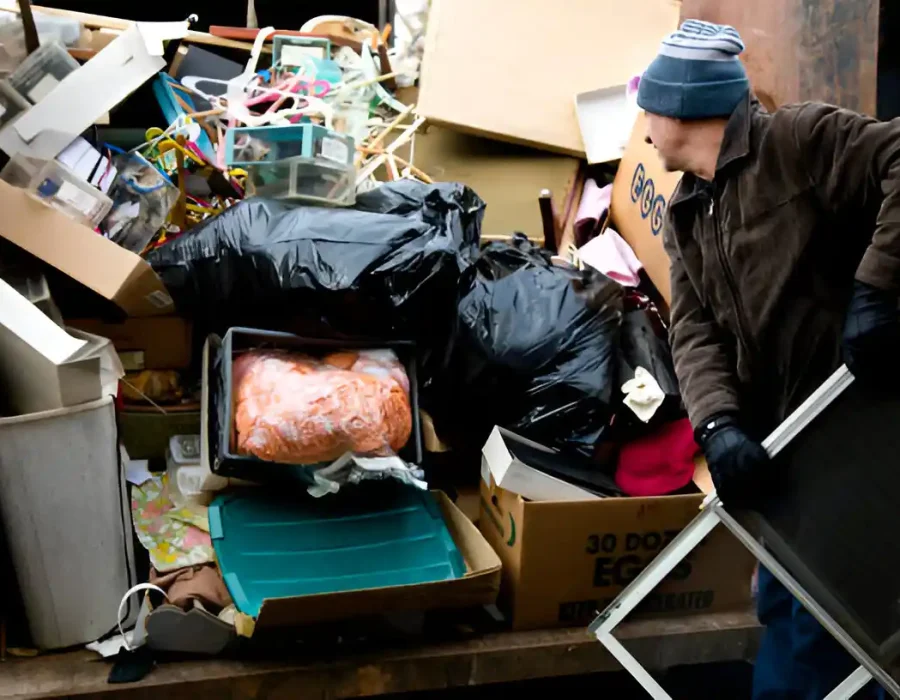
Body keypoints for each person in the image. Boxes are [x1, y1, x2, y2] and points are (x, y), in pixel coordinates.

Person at [636, 19, 900, 700]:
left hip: (857, 426)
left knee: (821, 638)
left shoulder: (798, 141)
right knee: (785, 611)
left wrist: (877, 288)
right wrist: (718, 426)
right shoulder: (687, 210)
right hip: (786, 449)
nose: (641, 128)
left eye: (647, 107)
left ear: (680, 107)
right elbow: (693, 332)